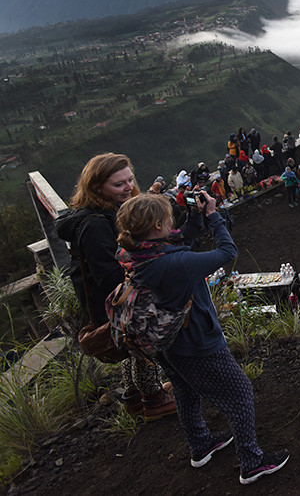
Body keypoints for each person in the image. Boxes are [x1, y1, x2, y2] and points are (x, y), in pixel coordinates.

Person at [114, 192, 288, 483]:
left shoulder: (137, 254)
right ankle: (252, 461)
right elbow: (227, 253)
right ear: (158, 225)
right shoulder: (174, 263)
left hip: (166, 341)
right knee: (240, 392)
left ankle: (201, 445)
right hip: (197, 341)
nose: (174, 221)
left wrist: (195, 219)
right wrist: (213, 217)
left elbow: (178, 245)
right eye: (169, 217)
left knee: (185, 390)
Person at [55, 153, 176, 420]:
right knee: (142, 344)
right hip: (114, 301)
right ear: (97, 188)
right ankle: (154, 399)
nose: (128, 187)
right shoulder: (96, 225)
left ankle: (133, 396)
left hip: (112, 299)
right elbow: (109, 276)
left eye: (130, 180)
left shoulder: (105, 214)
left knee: (130, 346)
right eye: (118, 184)